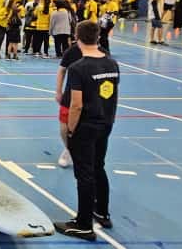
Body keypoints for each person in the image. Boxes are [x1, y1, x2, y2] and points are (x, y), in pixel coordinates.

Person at [54, 21, 119, 241]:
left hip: (86, 126)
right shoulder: (111, 63)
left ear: (76, 37)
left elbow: (77, 104)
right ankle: (102, 212)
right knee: (99, 167)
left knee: (84, 174)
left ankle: (83, 224)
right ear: (98, 36)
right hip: (106, 124)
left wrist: (71, 130)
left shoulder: (78, 68)